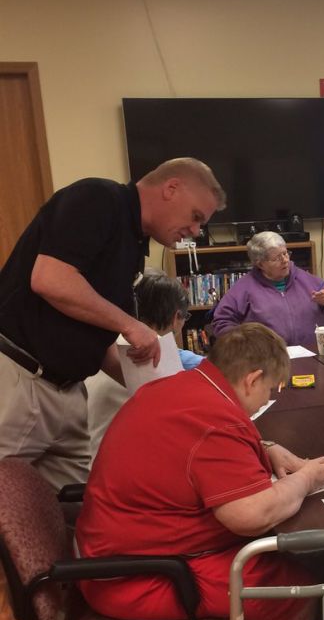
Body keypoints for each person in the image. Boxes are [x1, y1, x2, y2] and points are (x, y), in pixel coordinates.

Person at [75, 323, 324, 620]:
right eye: (270, 389)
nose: (268, 399)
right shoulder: (215, 421)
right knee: (297, 596)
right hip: (138, 575)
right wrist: (306, 479)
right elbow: (251, 516)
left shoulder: (182, 387)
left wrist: (264, 449)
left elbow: (191, 453)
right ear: (251, 379)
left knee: (281, 562)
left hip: (112, 549)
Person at [0, 157, 225, 491]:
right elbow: (50, 279)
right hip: (21, 380)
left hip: (69, 392)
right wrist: (131, 326)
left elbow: (100, 337)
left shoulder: (134, 245)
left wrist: (163, 395)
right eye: (195, 217)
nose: (195, 231)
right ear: (171, 188)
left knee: (78, 506)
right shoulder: (98, 198)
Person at [85, 270, 205, 461]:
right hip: (124, 461)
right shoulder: (156, 351)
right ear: (176, 318)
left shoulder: (107, 343)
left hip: (93, 455)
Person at [211, 231, 324, 344]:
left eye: (285, 253)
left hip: (313, 353)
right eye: (276, 258)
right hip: (268, 360)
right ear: (260, 264)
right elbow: (222, 323)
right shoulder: (244, 288)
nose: (285, 260)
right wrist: (248, 343)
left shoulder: (306, 279)